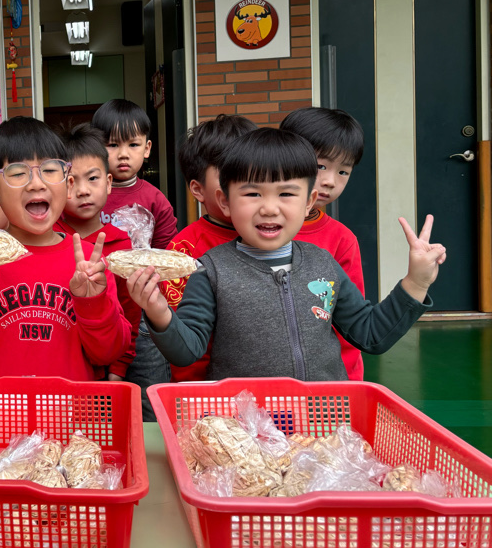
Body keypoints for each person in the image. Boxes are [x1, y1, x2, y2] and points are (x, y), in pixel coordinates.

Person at [128, 128, 445, 380]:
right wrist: (159, 313)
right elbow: (187, 352)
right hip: (246, 427)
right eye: (253, 193)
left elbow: (371, 334)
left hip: (322, 422)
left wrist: (416, 283)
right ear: (225, 201)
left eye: (286, 194)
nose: (269, 208)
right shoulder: (210, 271)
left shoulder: (323, 264)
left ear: (309, 202)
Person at [0, 116, 129, 380]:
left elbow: (109, 352)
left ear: (68, 184)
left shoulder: (89, 263)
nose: (37, 183)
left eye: (50, 170)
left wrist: (94, 304)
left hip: (70, 406)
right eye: (17, 173)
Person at [161, 113, 257, 384]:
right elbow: (183, 332)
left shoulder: (277, 235)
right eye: (229, 173)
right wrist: (195, 388)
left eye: (250, 171)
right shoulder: (183, 250)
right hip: (206, 387)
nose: (242, 183)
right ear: (198, 189)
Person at [280, 107, 368, 379]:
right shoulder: (254, 227)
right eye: (320, 166)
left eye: (343, 171)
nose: (330, 181)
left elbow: (351, 322)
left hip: (327, 383)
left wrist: (348, 383)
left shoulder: (341, 239)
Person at [53, 123, 141, 383]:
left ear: (109, 182)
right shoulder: (48, 237)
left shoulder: (121, 244)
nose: (83, 190)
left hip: (105, 367)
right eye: (71, 181)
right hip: (60, 364)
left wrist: (119, 368)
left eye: (93, 178)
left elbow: (130, 311)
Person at [90, 98, 178, 249]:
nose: (123, 154)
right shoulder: (84, 193)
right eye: (113, 144)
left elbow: (166, 253)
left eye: (133, 144)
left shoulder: (156, 201)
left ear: (147, 149)